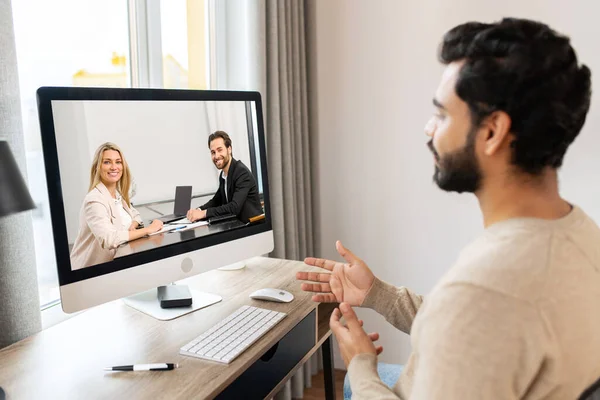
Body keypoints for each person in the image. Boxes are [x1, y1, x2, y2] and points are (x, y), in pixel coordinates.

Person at [297, 18, 600, 399]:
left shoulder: (484, 288)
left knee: (352, 385)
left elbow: (472, 312)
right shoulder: (580, 233)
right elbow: (474, 328)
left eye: (441, 115)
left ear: (492, 132)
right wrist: (377, 293)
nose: (429, 129)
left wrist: (360, 363)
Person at [70, 143, 163, 270]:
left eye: (118, 162)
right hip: (89, 273)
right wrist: (148, 230)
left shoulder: (117, 196)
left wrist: (133, 225)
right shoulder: (94, 200)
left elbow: (135, 215)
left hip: (115, 266)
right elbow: (109, 239)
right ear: (98, 167)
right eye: (107, 162)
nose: (114, 167)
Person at [187, 131, 263, 223]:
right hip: (235, 225)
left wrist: (204, 213)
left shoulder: (241, 172)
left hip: (251, 228)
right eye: (213, 152)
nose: (216, 156)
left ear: (229, 149)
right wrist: (198, 210)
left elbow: (234, 207)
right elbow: (216, 200)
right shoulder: (223, 175)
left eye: (220, 150)